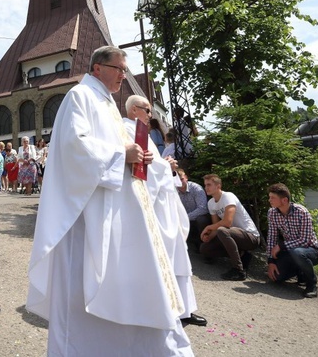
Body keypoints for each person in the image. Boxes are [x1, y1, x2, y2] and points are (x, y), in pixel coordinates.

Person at [27, 46, 193, 356]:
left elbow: (120, 153)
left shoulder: (106, 105)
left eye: (124, 69)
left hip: (114, 208)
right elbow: (74, 147)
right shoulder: (80, 97)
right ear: (97, 68)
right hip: (86, 214)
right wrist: (122, 154)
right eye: (119, 68)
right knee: (82, 288)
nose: (123, 75)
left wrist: (141, 158)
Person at [124, 94, 207, 328]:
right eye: (147, 110)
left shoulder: (144, 132)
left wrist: (164, 166)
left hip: (165, 202)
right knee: (164, 259)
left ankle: (186, 309)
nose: (151, 116)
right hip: (154, 207)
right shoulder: (128, 129)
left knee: (178, 258)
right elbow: (140, 168)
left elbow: (152, 163)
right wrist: (166, 166)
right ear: (134, 111)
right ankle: (166, 308)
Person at [266, 183, 318, 298]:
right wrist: (271, 261)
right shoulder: (272, 213)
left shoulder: (302, 212)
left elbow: (305, 240)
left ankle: (312, 284)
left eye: (273, 198)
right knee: (276, 278)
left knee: (297, 252)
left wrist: (281, 246)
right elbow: (272, 237)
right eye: (269, 197)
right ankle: (300, 272)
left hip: (311, 250)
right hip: (290, 250)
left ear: (284, 200)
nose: (269, 200)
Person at [200, 174, 261, 281]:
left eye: (209, 185)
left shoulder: (228, 196)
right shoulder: (211, 203)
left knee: (222, 230)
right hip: (231, 235)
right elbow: (216, 226)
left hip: (251, 237)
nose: (206, 188)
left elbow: (227, 222)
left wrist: (208, 227)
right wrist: (209, 236)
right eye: (205, 185)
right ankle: (243, 255)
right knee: (205, 249)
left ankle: (239, 270)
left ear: (218, 186)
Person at [175, 169, 211, 253]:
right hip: (184, 219)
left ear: (186, 178)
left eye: (181, 179)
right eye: (177, 180)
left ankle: (206, 247)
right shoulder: (173, 191)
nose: (179, 183)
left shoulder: (196, 188)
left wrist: (186, 217)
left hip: (197, 217)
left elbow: (203, 208)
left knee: (201, 220)